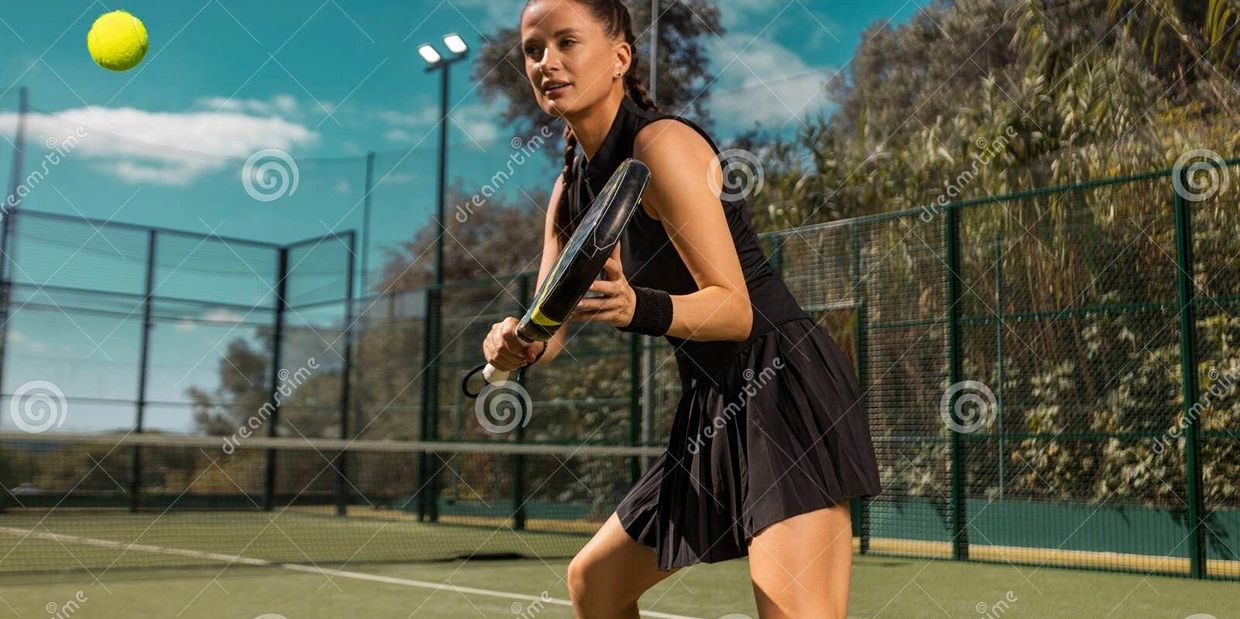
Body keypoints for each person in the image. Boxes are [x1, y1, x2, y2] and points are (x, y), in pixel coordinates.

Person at [481, 1, 882, 616]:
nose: (546, 62)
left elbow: (735, 311)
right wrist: (515, 343)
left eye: (567, 42)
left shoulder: (662, 144)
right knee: (596, 584)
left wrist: (637, 307)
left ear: (620, 57)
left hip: (781, 384)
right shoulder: (568, 192)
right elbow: (548, 325)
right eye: (533, 50)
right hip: (709, 401)